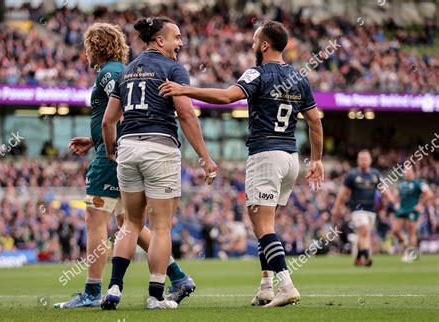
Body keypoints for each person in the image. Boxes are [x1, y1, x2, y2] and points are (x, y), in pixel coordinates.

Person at [159, 20, 324, 308]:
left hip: (265, 155)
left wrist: (185, 90)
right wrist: (318, 159)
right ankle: (265, 286)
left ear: (264, 45)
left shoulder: (257, 73)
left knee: (263, 227)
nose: (250, 44)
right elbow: (314, 121)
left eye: (254, 39)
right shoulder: (300, 78)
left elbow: (226, 97)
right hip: (290, 158)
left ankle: (286, 285)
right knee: (263, 224)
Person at [55, 22, 193, 309]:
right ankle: (177, 276)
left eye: (87, 48)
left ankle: (93, 291)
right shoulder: (117, 70)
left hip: (116, 157)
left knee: (96, 218)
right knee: (128, 223)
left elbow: (125, 113)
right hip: (119, 151)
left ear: (96, 47)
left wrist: (107, 149)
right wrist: (94, 140)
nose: (85, 54)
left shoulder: (111, 72)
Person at [100, 16, 217, 310]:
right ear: (160, 40)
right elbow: (187, 116)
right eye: (176, 37)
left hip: (128, 147)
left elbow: (108, 121)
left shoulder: (126, 71)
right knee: (162, 227)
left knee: (130, 224)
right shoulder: (172, 69)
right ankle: (154, 295)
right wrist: (205, 157)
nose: (181, 42)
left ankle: (114, 288)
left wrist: (113, 151)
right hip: (159, 147)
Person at [332, 150, 393, 266]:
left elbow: (383, 189)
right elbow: (342, 193)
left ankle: (358, 257)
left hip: (371, 210)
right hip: (357, 209)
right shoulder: (352, 175)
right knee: (365, 232)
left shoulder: (375, 174)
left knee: (363, 234)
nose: (364, 161)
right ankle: (367, 257)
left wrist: (391, 201)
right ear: (358, 161)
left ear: (370, 160)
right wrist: (336, 207)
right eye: (362, 159)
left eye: (366, 159)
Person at [392, 167, 433, 262]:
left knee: (411, 231)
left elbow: (429, 194)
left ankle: (411, 255)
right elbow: (397, 196)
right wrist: (396, 203)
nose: (407, 173)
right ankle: (406, 242)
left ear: (413, 172)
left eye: (409, 171)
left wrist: (421, 204)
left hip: (412, 209)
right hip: (402, 209)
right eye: (405, 171)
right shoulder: (401, 184)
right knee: (395, 230)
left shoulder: (418, 183)